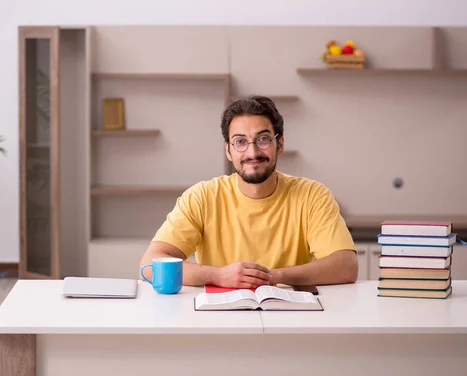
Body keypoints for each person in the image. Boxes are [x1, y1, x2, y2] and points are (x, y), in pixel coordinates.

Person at [139, 95, 358, 289]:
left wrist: (273, 276)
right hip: (219, 321)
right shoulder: (202, 197)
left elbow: (346, 266)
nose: (252, 152)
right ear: (228, 150)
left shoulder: (312, 195)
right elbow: (150, 264)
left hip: (291, 321)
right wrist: (219, 275)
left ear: (279, 144)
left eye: (263, 139)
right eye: (240, 142)